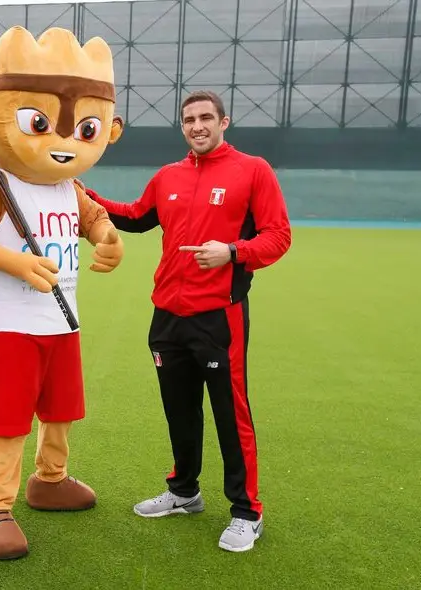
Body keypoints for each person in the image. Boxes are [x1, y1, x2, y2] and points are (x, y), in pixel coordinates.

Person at [81, 90, 291, 553]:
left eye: (205, 118)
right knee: (179, 409)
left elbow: (279, 236)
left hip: (219, 317)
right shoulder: (168, 176)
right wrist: (83, 196)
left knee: (231, 414)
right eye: (189, 119)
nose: (197, 126)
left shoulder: (253, 170)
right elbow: (136, 217)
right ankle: (184, 492)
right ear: (182, 126)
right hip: (167, 316)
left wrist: (232, 252)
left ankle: (247, 512)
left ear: (223, 122)